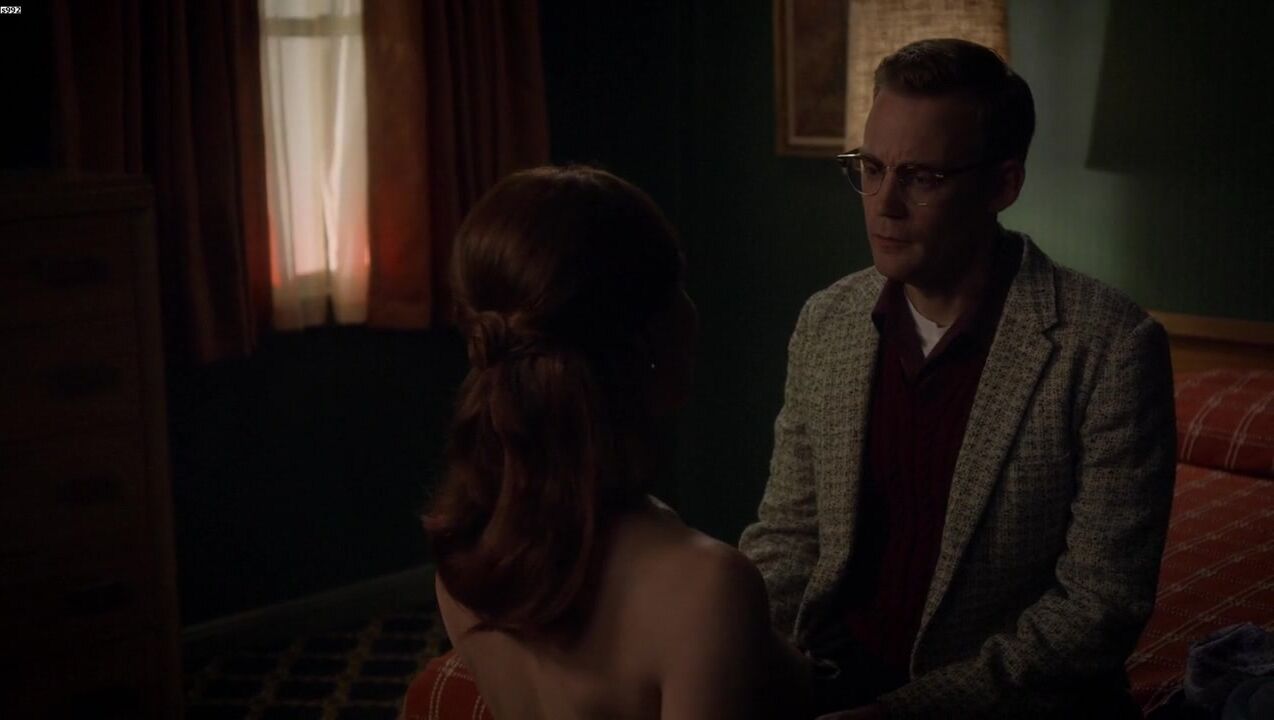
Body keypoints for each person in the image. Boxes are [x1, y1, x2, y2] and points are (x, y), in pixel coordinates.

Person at [739, 38, 1176, 718]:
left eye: (921, 178)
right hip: (829, 672)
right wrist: (741, 655)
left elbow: (1098, 608)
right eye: (871, 168)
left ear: (1003, 185)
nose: (883, 205)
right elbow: (790, 536)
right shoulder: (828, 321)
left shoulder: (1108, 347)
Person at [424, 166, 812, 719]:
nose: (693, 309)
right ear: (644, 340)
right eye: (676, 285)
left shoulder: (464, 554)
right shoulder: (704, 588)